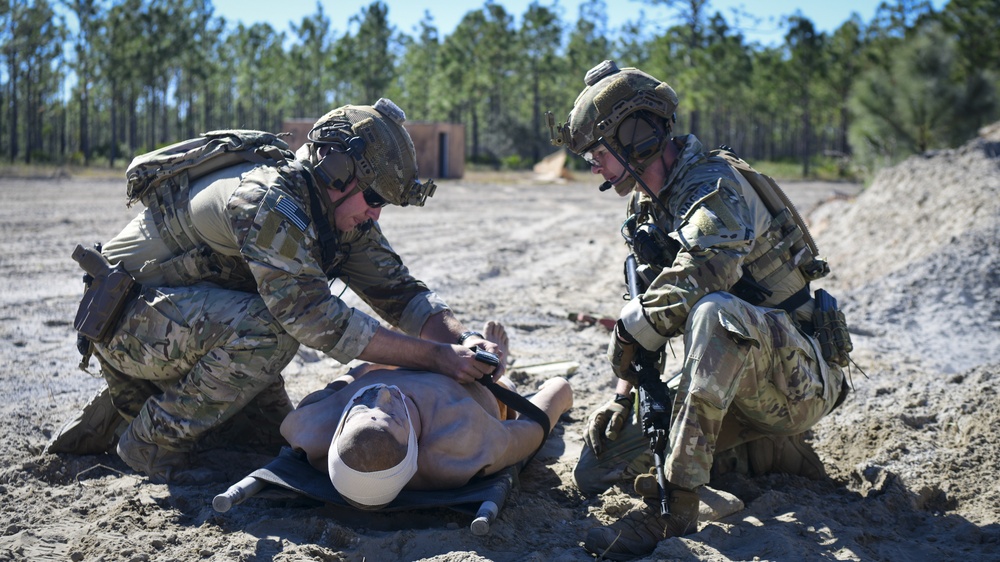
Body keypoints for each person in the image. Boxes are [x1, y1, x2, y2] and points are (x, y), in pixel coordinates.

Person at [54, 98, 506, 484]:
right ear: (336, 170)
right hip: (126, 324)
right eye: (374, 199)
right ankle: (146, 444)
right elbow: (314, 318)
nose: (376, 215)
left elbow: (402, 293)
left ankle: (130, 408)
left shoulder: (340, 216)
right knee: (271, 332)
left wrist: (462, 342)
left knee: (272, 441)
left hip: (182, 328)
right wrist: (435, 358)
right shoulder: (270, 201)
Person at [548, 61, 851, 559]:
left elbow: (709, 269)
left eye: (597, 152)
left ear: (636, 135)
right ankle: (764, 453)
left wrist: (631, 331)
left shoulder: (713, 184)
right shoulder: (647, 207)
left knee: (714, 312)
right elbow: (644, 302)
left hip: (801, 375)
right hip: (734, 377)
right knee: (598, 467)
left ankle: (675, 509)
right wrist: (622, 396)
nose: (593, 166)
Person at [279, 321, 574, 507]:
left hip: (401, 367)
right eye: (393, 416)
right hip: (473, 387)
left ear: (340, 429)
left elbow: (341, 383)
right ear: (413, 447)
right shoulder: (460, 443)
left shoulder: (312, 428)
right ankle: (498, 365)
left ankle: (401, 355)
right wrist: (559, 392)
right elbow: (533, 428)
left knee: (366, 373)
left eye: (364, 408)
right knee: (502, 385)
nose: (383, 395)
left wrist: (364, 372)